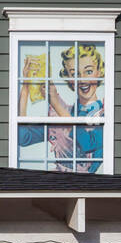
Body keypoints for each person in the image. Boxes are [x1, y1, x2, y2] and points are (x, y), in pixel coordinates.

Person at [16, 43, 105, 173]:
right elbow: (23, 138)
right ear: (69, 79)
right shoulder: (62, 113)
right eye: (75, 74)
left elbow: (86, 143)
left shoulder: (104, 115)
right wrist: (25, 87)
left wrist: (56, 103)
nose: (82, 80)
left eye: (89, 72)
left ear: (99, 72)